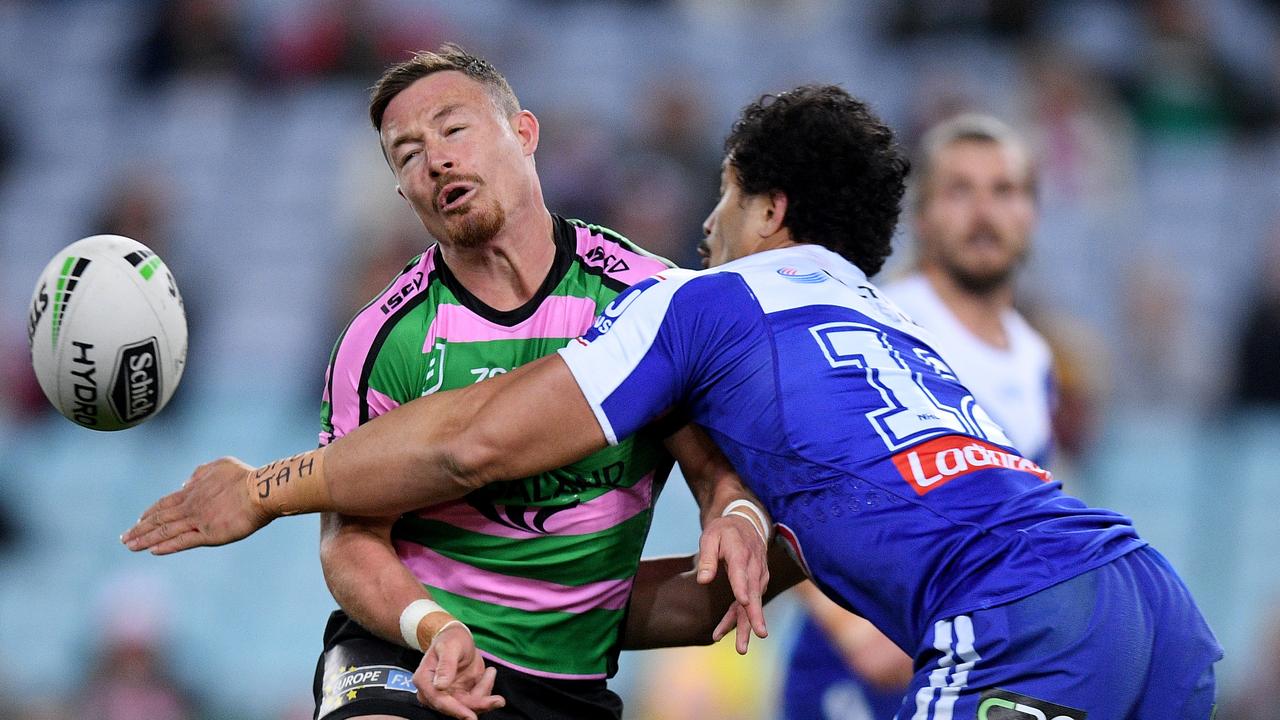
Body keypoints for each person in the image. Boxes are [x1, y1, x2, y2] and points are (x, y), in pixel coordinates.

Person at [125, 84, 1223, 719]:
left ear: (768, 205)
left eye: (721, 193)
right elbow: (798, 533)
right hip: (1149, 607)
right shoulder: (902, 332)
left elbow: (472, 444)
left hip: (1012, 620)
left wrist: (263, 490)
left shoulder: (709, 302)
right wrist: (738, 514)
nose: (703, 224)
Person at [223, 45, 775, 720]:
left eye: (454, 130)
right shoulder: (381, 341)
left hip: (565, 678)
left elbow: (715, 468)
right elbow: (349, 541)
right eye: (408, 154)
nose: (436, 160)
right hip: (408, 652)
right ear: (404, 191)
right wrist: (434, 628)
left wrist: (738, 513)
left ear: (524, 133)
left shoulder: (647, 300)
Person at [780, 113, 1053, 720]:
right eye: (959, 190)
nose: (984, 212)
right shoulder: (874, 327)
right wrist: (853, 634)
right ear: (922, 214)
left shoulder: (1036, 361)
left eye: (1004, 190)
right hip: (850, 676)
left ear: (1033, 213)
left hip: (967, 674)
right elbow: (783, 487)